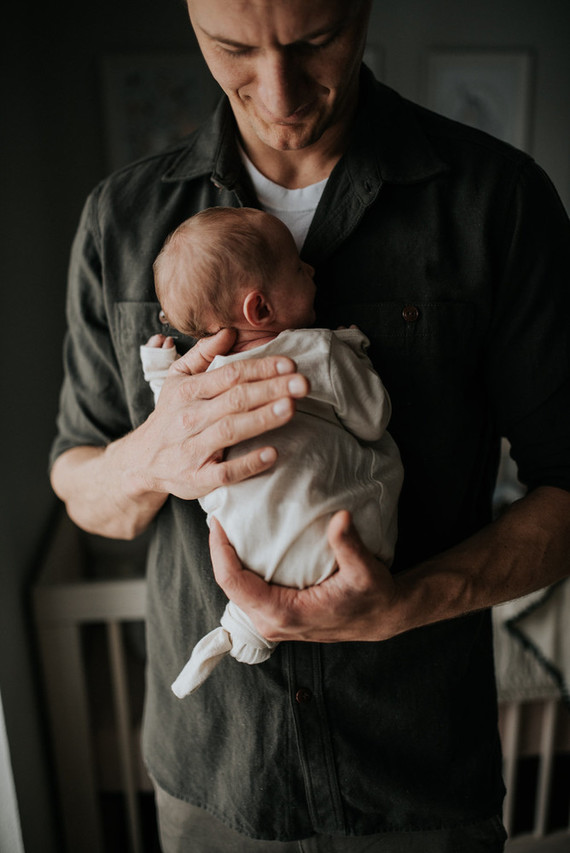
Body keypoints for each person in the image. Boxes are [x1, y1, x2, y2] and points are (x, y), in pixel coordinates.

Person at [49, 0, 570, 850]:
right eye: (231, 47)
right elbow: (81, 486)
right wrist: (150, 454)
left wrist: (400, 605)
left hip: (417, 774)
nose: (280, 94)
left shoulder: (500, 204)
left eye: (316, 41)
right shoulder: (121, 217)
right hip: (213, 776)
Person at [140, 206, 403, 697]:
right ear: (259, 309)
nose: (312, 270)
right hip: (351, 554)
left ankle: (244, 626)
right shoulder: (316, 352)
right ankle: (243, 625)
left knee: (229, 495)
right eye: (299, 267)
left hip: (251, 554)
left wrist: (159, 368)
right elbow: (373, 419)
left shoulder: (196, 384)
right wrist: (354, 354)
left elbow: (170, 429)